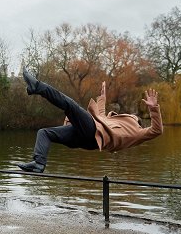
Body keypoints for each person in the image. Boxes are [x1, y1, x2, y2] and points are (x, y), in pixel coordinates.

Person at [17, 68, 163, 173]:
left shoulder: (137, 132)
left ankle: (37, 87)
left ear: (135, 120)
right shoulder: (115, 124)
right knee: (45, 133)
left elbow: (156, 130)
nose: (129, 114)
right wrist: (102, 97)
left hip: (93, 134)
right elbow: (101, 117)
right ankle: (39, 163)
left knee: (70, 105)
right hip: (87, 139)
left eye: (132, 115)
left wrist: (154, 108)